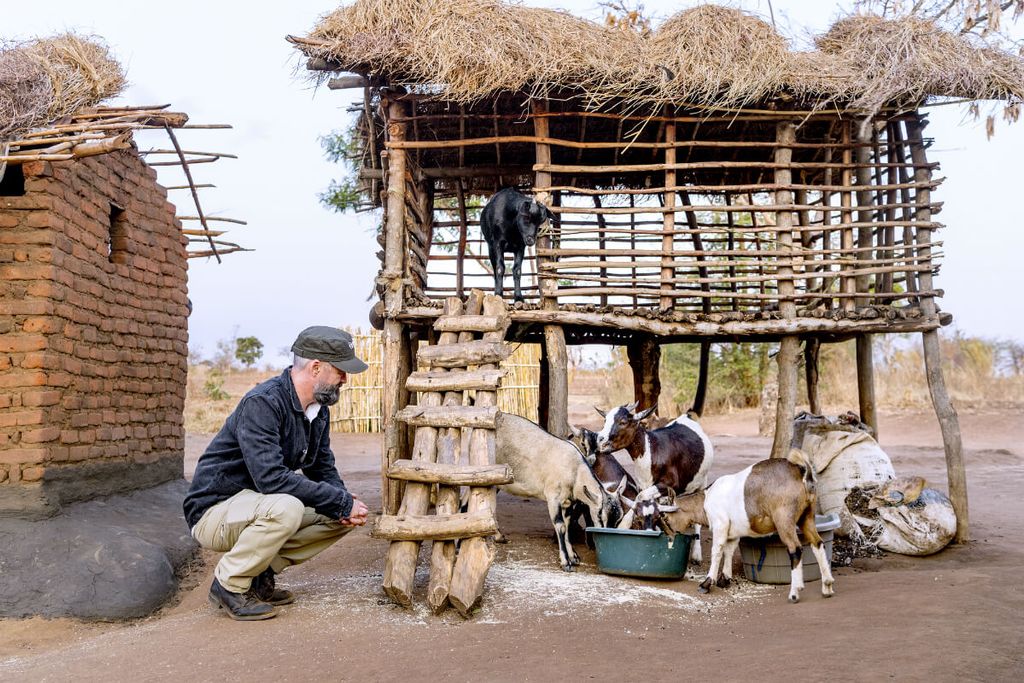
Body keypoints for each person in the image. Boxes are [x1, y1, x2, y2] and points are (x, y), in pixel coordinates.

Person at [183, 326, 371, 620]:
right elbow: (271, 479)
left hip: (258, 506)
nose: (345, 379)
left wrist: (343, 502)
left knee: (338, 512)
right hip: (214, 511)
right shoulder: (263, 403)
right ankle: (229, 584)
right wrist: (338, 500)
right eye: (340, 370)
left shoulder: (318, 409)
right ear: (316, 367)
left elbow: (321, 465)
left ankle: (258, 572)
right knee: (288, 507)